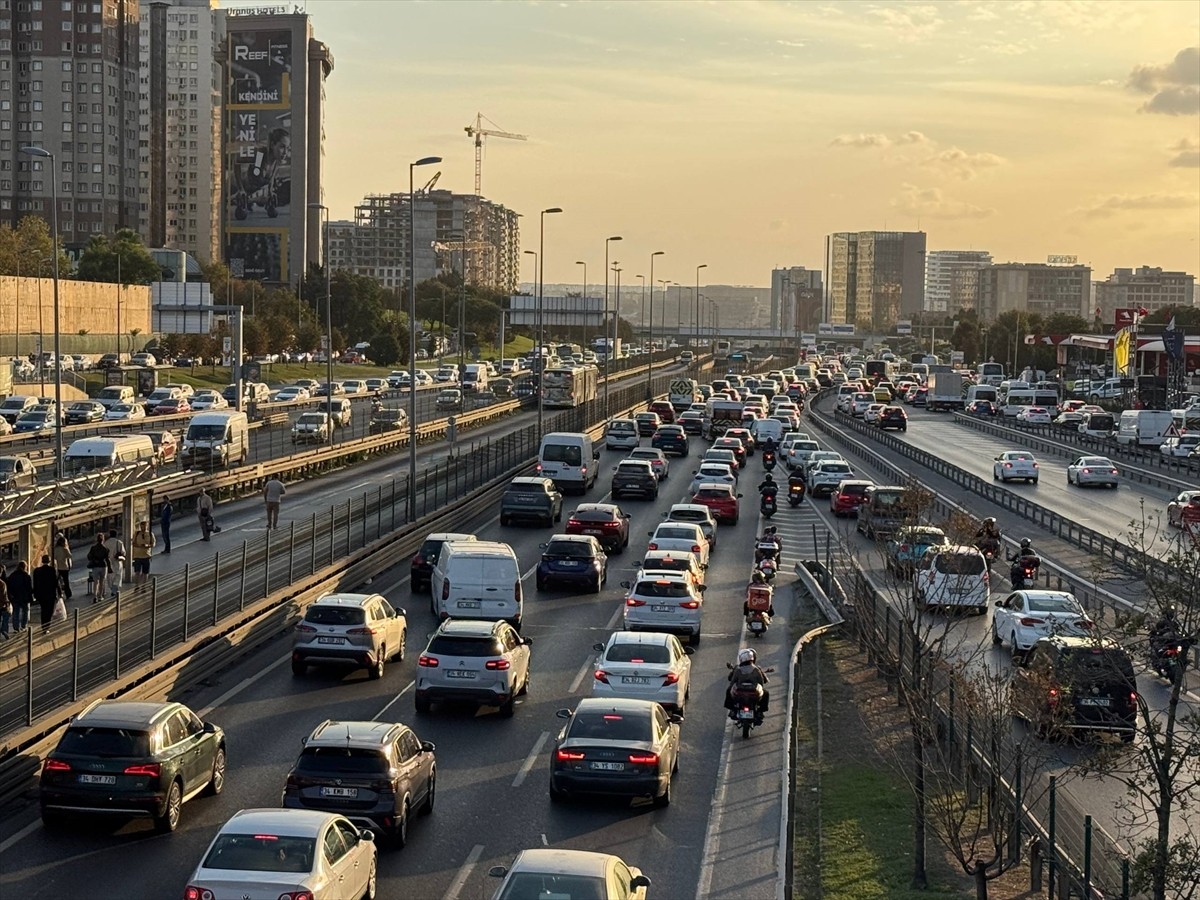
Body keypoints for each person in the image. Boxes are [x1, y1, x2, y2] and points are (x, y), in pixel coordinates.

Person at [725, 648, 770, 724]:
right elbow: (761, 682)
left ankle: (732, 709)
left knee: (728, 690)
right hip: (753, 693)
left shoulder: (738, 669)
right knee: (766, 693)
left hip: (740, 693)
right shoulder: (756, 669)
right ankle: (760, 711)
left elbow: (732, 681)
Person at [33, 555, 59, 632]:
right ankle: (46, 627)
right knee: (49, 611)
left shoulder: (37, 571)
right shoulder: (52, 570)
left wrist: (35, 594)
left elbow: (35, 583)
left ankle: (43, 626)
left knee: (43, 610)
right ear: (49, 561)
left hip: (41, 595)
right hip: (50, 594)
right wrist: (58, 593)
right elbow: (55, 582)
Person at [8, 560, 32, 631]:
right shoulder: (26, 576)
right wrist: (30, 597)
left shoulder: (12, 575)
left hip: (15, 596)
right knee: (25, 611)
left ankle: (16, 628)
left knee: (16, 612)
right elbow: (29, 588)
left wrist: (11, 595)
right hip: (24, 597)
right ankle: (23, 626)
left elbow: (9, 586)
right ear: (25, 567)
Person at [131, 521, 155, 590]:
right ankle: (136, 585)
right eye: (141, 527)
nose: (143, 528)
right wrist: (139, 546)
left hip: (146, 555)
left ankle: (144, 586)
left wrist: (147, 546)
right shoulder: (137, 533)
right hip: (137, 556)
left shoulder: (150, 534)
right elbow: (133, 543)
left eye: (144, 526)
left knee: (145, 572)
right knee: (137, 571)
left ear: (147, 526)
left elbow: (153, 544)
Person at [86, 533, 109, 602]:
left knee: (96, 582)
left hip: (95, 566)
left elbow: (89, 556)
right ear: (103, 540)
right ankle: (100, 595)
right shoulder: (105, 549)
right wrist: (110, 567)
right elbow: (107, 558)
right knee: (102, 581)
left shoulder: (93, 548)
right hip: (103, 565)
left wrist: (94, 560)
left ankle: (95, 596)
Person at [104, 529, 127, 597]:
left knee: (110, 576)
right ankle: (115, 590)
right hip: (117, 561)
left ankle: (112, 590)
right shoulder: (119, 542)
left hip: (108, 562)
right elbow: (123, 553)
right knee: (117, 576)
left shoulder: (106, 543)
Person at [52, 533, 73, 601]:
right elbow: (70, 556)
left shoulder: (56, 549)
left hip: (58, 567)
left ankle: (59, 593)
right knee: (66, 581)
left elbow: (54, 557)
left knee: (56, 581)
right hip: (65, 567)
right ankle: (68, 594)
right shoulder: (65, 549)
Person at [0, 576, 10, 640]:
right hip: (1, 605)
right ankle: (4, 630)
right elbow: (4, 595)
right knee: (5, 617)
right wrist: (7, 603)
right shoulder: (2, 583)